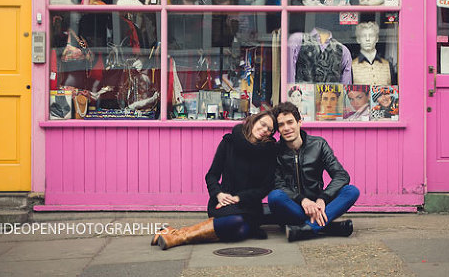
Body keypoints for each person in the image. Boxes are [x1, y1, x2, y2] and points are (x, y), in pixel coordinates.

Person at [153, 110, 277, 249]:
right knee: (236, 222)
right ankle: (178, 236)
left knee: (240, 231)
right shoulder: (229, 143)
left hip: (249, 206)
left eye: (270, 129)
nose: (264, 130)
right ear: (254, 121)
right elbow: (212, 175)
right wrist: (219, 194)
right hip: (223, 202)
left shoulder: (269, 152)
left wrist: (239, 198)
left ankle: (175, 234)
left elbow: (266, 187)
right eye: (263, 124)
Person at [267, 102, 360, 242]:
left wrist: (323, 199)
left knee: (351, 191)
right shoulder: (274, 150)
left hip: (317, 203)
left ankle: (308, 228)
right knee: (275, 196)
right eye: (281, 125)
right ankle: (326, 226)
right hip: (292, 207)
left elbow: (341, 175)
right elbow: (277, 183)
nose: (286, 128)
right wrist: (302, 200)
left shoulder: (318, 144)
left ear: (299, 122)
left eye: (290, 122)